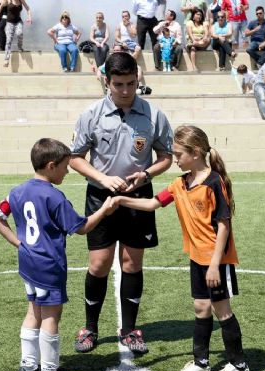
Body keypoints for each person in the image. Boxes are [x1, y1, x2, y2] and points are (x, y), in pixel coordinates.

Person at [111, 125, 250, 371]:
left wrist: (214, 264)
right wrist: (121, 201)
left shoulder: (214, 183)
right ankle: (201, 363)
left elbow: (223, 226)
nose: (175, 158)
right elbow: (153, 203)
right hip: (197, 257)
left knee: (222, 311)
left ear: (195, 153)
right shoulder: (180, 184)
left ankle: (239, 365)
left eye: (178, 154)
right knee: (200, 307)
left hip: (215, 260)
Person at [0, 138, 116, 371]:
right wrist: (105, 209)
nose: (67, 172)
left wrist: (19, 243)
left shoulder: (17, 191)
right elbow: (82, 228)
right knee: (51, 316)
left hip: (27, 262)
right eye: (64, 167)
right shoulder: (54, 197)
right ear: (50, 166)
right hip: (48, 265)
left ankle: (28, 366)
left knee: (33, 311)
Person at [70, 52, 174, 355]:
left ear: (137, 79)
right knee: (99, 264)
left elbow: (166, 157)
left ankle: (129, 329)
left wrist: (145, 174)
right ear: (107, 81)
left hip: (137, 197)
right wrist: (103, 180)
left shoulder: (154, 116)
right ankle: (90, 328)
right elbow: (75, 158)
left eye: (130, 83)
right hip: (100, 197)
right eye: (118, 84)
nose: (125, 90)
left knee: (132, 263)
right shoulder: (91, 115)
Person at [0, 0, 31, 67]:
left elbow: (28, 8)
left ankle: (20, 47)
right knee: (8, 40)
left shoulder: (21, 1)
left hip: (18, 22)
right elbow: (0, 7)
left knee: (19, 33)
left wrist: (29, 17)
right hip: (9, 23)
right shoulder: (8, 1)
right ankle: (6, 59)